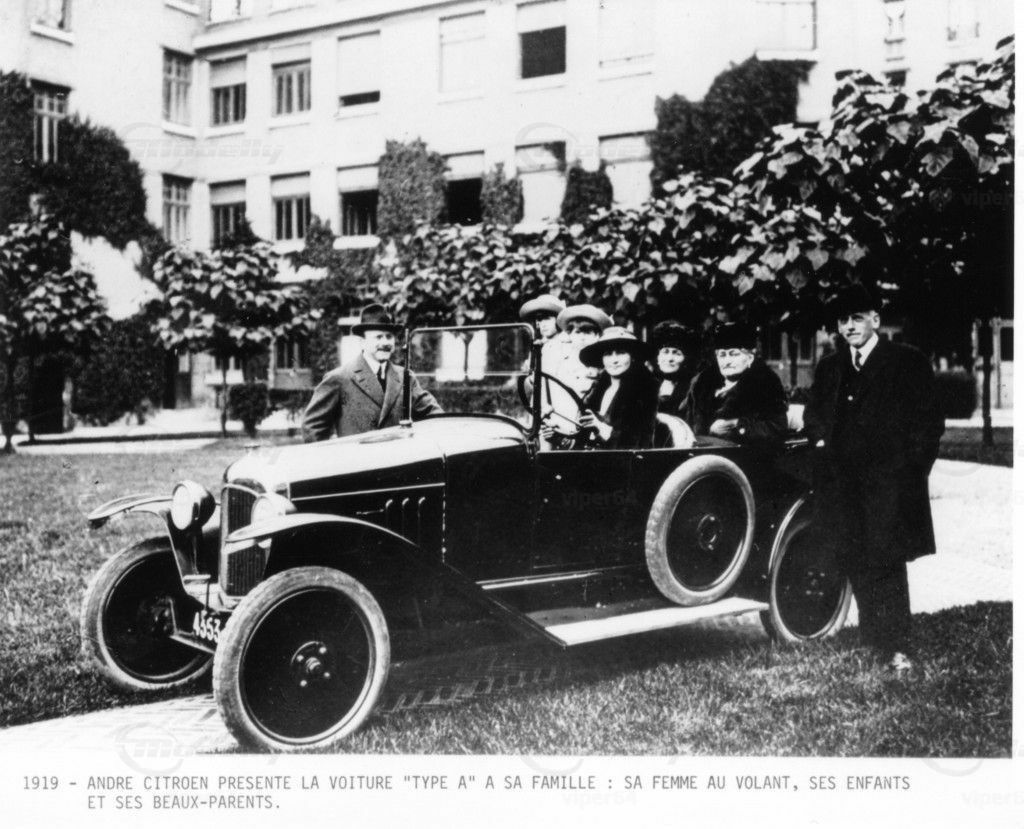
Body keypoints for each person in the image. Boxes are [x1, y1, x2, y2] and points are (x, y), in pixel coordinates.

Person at [803, 283, 943, 673]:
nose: (849, 326)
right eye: (843, 320)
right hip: (843, 484)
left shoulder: (906, 362)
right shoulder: (831, 367)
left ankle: (896, 646)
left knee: (887, 560)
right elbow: (814, 414)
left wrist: (911, 472)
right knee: (855, 557)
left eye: (857, 318)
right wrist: (819, 442)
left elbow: (929, 423)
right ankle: (871, 640)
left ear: (875, 320)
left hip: (889, 484)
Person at [302, 303, 442, 442]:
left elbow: (435, 416)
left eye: (389, 336)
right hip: (358, 457)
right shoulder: (339, 378)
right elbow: (312, 428)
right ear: (362, 342)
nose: (385, 343)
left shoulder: (405, 377)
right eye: (378, 337)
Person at [682, 321, 787, 449]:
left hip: (744, 455)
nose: (727, 361)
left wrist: (737, 425)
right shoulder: (702, 385)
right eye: (722, 355)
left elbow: (777, 429)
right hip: (697, 453)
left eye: (734, 354)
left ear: (750, 358)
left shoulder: (765, 383)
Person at [560, 327, 659, 450]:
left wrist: (601, 427)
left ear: (632, 356)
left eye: (621, 353)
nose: (614, 360)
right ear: (602, 359)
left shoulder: (645, 390)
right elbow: (583, 440)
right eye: (608, 354)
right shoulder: (596, 391)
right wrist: (559, 437)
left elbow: (640, 442)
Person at [650, 320, 699, 416]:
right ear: (657, 357)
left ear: (686, 358)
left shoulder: (694, 388)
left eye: (676, 353)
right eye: (665, 352)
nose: (670, 359)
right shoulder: (647, 384)